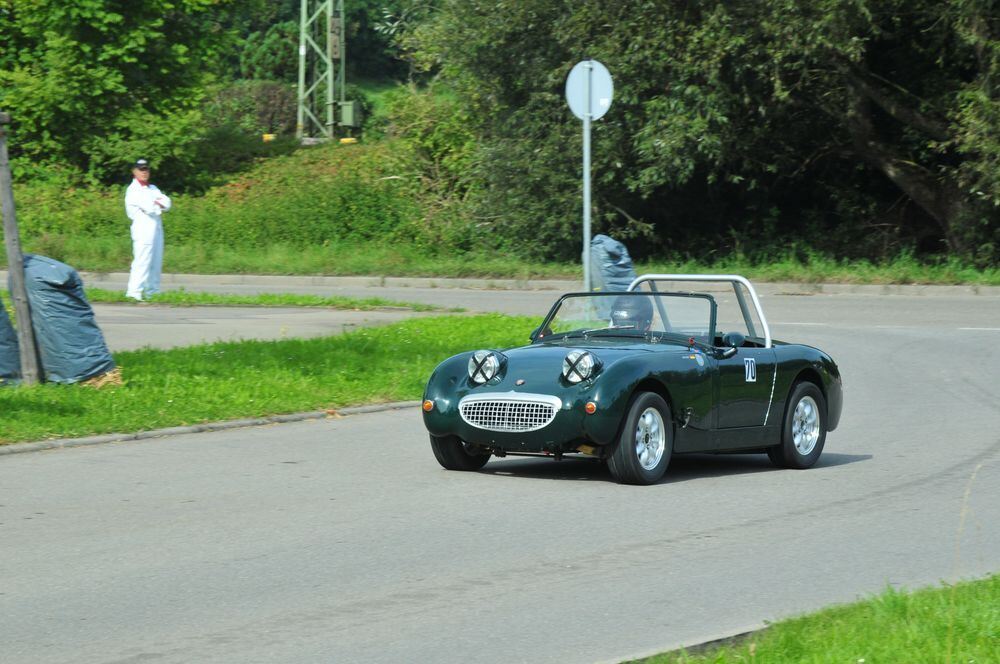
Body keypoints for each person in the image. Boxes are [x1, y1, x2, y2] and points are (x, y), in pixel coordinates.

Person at [124, 158, 171, 301]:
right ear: (134, 171)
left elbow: (168, 203)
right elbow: (150, 207)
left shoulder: (153, 188)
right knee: (142, 261)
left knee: (156, 261)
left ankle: (153, 293)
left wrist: (159, 204)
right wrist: (158, 204)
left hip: (156, 227)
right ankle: (134, 293)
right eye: (141, 169)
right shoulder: (133, 190)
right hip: (142, 228)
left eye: (146, 169)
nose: (144, 172)